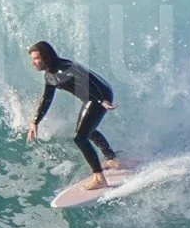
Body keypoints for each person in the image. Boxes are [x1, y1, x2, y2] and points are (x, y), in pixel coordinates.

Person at [25, 41, 121, 192]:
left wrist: (102, 101)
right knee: (87, 130)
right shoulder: (50, 74)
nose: (33, 63)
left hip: (99, 95)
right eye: (33, 59)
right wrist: (35, 122)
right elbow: (46, 98)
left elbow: (87, 79)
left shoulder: (66, 69)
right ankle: (112, 159)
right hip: (92, 97)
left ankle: (99, 178)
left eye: (36, 58)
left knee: (79, 137)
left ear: (46, 57)